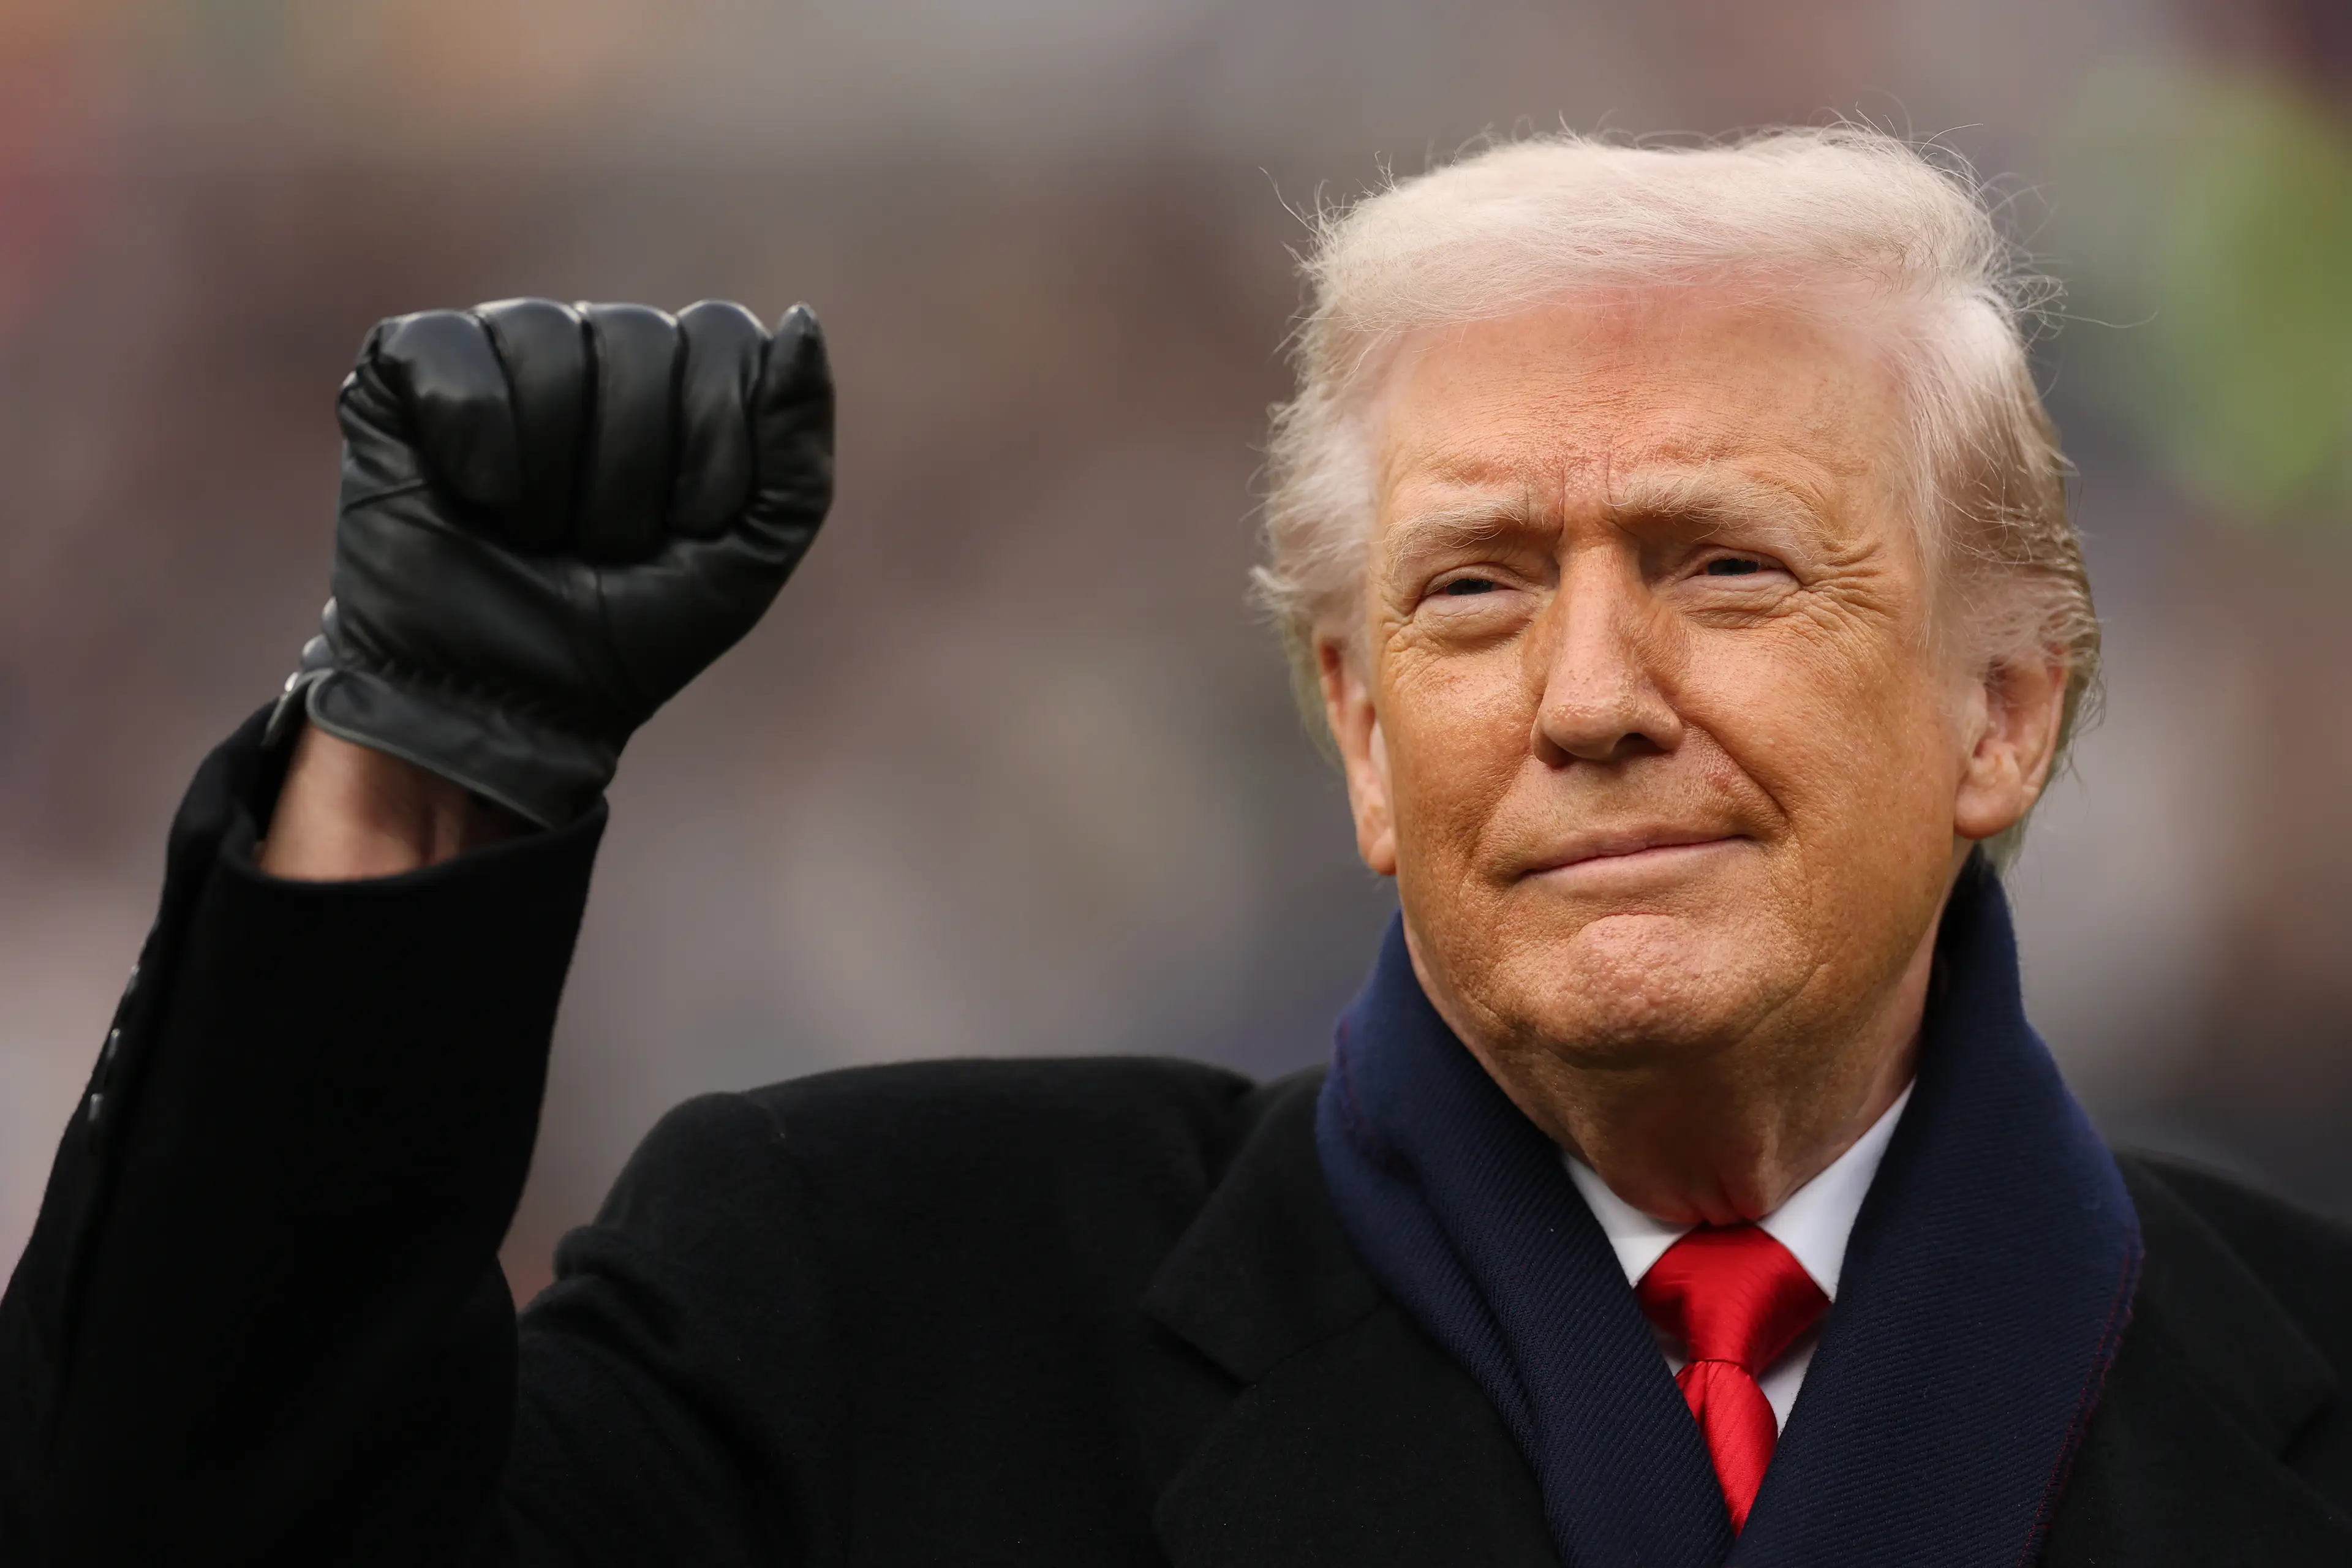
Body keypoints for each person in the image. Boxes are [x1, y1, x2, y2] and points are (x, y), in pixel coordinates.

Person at [4, 127, 2348, 1568]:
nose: (1596, 695)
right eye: (1472, 590)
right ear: (1352, 735)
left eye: (1731, 567)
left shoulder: (2307, 1392)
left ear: (2004, 712)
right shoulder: (868, 1312)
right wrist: (418, 783)